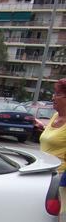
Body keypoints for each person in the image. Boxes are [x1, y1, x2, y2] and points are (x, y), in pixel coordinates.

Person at [39, 78, 66, 213]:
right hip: (44, 175)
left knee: (52, 219)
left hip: (59, 181)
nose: (53, 97)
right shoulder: (55, 116)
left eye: (58, 94)